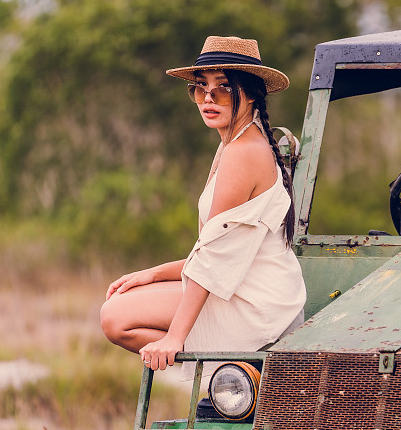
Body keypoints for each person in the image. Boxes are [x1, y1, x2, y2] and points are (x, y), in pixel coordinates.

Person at [100, 36, 306, 371]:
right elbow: (213, 251)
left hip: (255, 304)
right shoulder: (234, 142)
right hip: (242, 287)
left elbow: (214, 255)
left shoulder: (244, 152)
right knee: (122, 301)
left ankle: (230, 370)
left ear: (252, 93)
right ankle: (223, 376)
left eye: (223, 87)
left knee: (115, 318)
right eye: (200, 87)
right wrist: (151, 275)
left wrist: (175, 337)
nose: (208, 98)